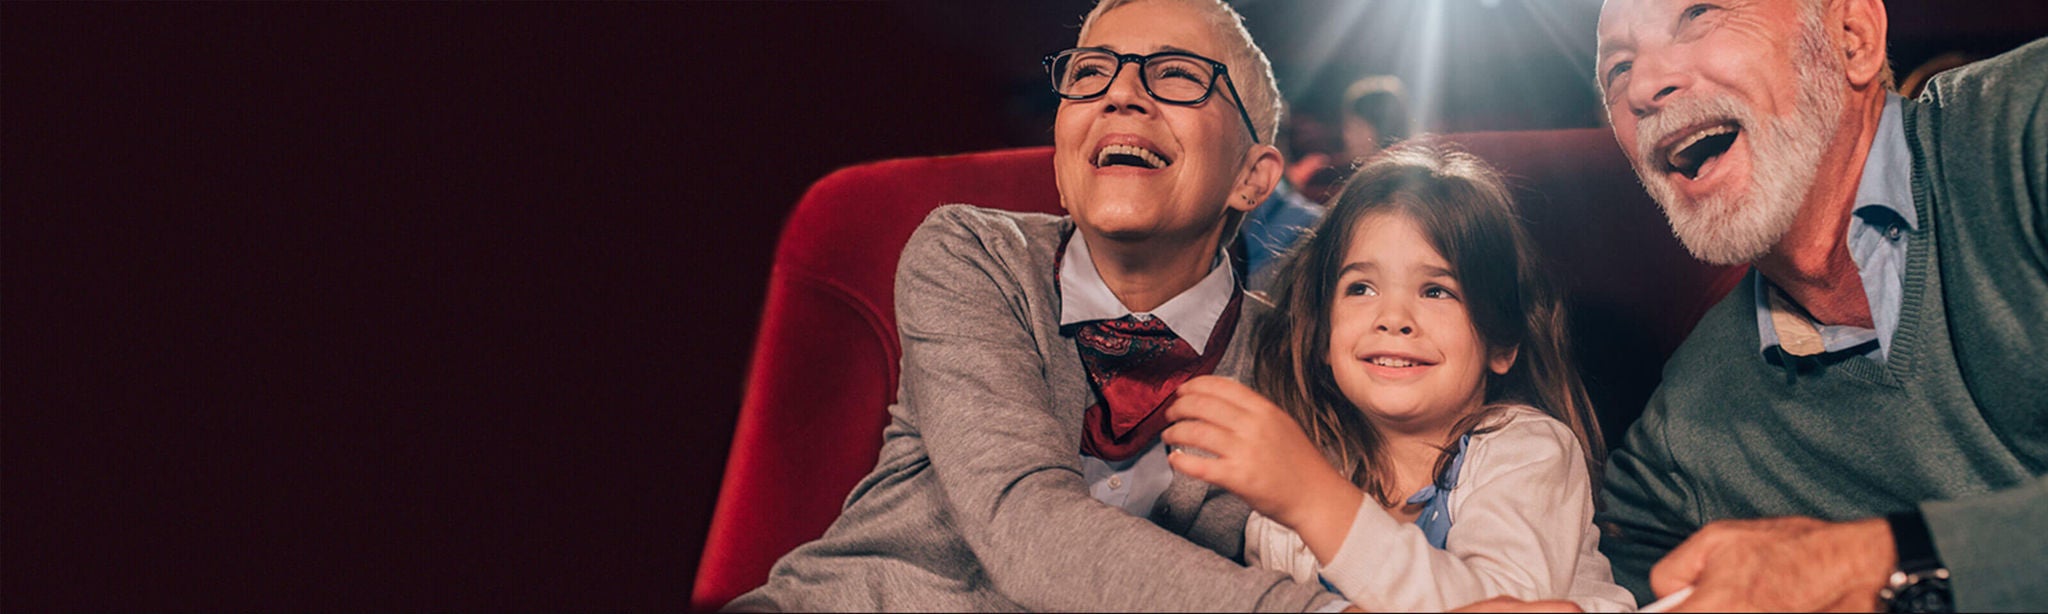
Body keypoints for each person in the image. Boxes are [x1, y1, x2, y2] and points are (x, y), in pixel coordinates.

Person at [725, 0, 1328, 610]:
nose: (1120, 95)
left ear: (1253, 178)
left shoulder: (1291, 357)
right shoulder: (972, 255)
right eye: (1090, 73)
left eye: (1176, 74)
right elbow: (1025, 518)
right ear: (1063, 156)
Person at [1591, 0, 2048, 610]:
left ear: (1852, 37)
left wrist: (1884, 561)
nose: (1645, 87)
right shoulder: (1689, 428)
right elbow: (1586, 574)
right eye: (1617, 69)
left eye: (1701, 14)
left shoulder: (2029, 123)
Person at [1161, 143, 1636, 612]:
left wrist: (1315, 501)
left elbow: (1503, 607)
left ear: (1501, 342)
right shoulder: (1303, 466)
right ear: (1324, 335)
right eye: (1361, 287)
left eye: (1436, 290)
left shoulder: (1525, 450)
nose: (1393, 318)